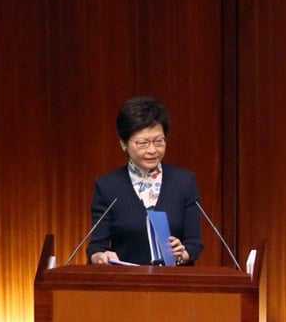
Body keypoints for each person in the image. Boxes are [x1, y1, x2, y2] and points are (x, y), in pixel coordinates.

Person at [86, 96, 204, 265]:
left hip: (175, 285)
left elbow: (194, 244)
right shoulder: (107, 187)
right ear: (123, 144)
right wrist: (101, 257)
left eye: (159, 141)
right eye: (142, 143)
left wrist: (181, 254)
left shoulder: (184, 182)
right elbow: (96, 247)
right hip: (126, 285)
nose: (152, 150)